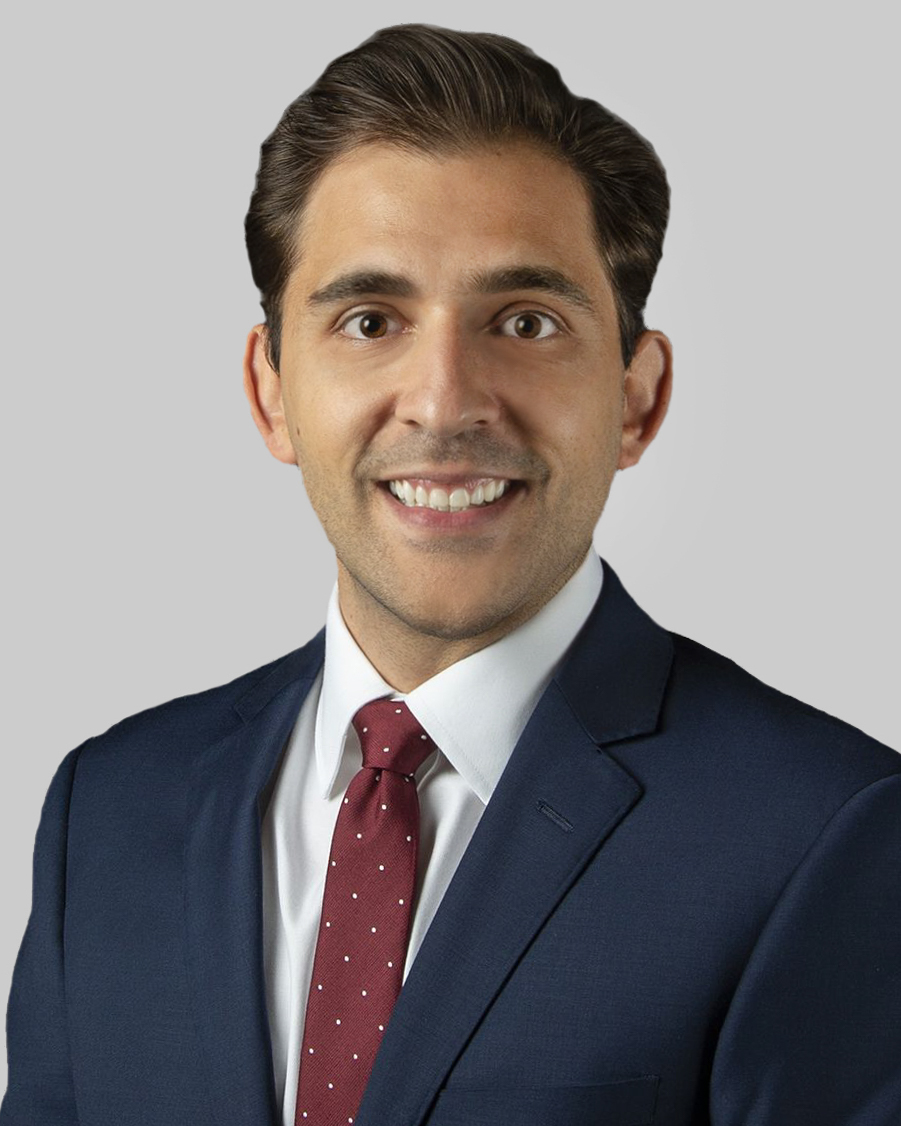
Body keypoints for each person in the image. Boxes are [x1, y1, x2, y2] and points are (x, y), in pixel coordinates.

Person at [2, 23, 898, 1126]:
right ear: (272, 391)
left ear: (636, 398)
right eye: (369, 320)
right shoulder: (107, 809)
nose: (443, 400)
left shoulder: (825, 832)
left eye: (524, 321)